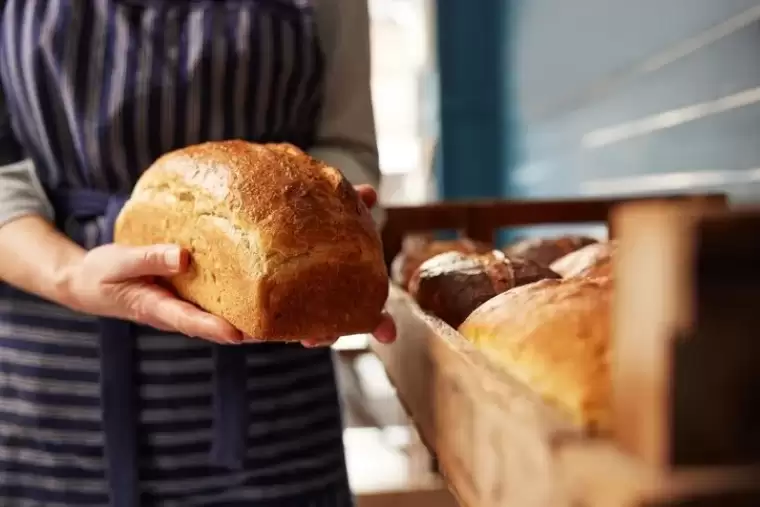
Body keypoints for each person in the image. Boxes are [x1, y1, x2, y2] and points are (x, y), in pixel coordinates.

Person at [0, 0, 396, 505]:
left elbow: (346, 147)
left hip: (269, 405)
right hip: (55, 390)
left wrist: (326, 229)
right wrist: (67, 273)